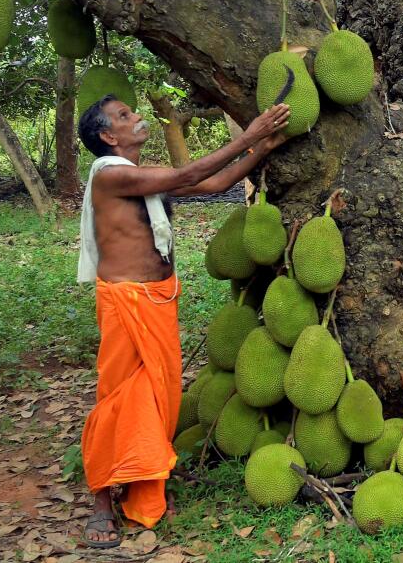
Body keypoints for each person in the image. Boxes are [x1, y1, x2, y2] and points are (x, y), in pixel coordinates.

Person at [75, 94, 291, 548]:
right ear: (107, 136)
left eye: (132, 112)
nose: (137, 118)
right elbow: (188, 173)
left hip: (157, 299)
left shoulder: (139, 178)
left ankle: (144, 489)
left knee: (157, 398)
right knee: (117, 399)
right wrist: (249, 133)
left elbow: (212, 185)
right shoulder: (110, 176)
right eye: (124, 116)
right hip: (126, 301)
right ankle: (101, 502)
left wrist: (262, 150)